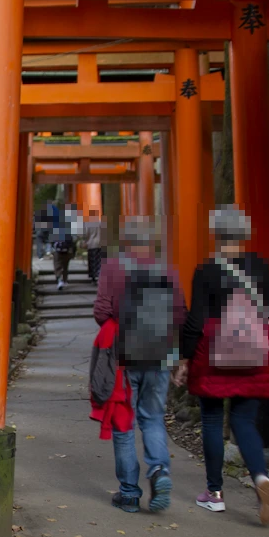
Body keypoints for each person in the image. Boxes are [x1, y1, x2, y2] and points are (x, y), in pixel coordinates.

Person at [175, 205, 269, 525]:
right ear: (244, 234)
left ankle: (215, 494)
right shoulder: (260, 267)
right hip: (253, 350)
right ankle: (261, 479)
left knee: (211, 420)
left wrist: (183, 359)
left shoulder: (206, 270)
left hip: (213, 349)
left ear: (217, 234)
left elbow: (195, 319)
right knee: (244, 421)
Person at [93, 216, 186, 513]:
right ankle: (159, 471)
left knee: (124, 425)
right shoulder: (167, 269)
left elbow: (101, 311)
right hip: (160, 350)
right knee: (153, 418)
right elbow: (180, 315)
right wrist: (179, 357)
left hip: (125, 353)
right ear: (152, 239)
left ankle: (129, 493)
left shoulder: (112, 267)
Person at [51, 203, 76, 290]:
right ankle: (64, 280)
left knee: (57, 265)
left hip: (58, 249)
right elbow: (72, 240)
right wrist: (73, 251)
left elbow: (52, 238)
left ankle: (59, 279)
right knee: (65, 266)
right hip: (67, 249)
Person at [85, 212, 106, 283]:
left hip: (91, 244)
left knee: (92, 261)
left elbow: (86, 234)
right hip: (99, 243)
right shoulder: (100, 223)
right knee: (99, 261)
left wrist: (86, 241)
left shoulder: (88, 224)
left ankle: (93, 277)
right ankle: (99, 275)